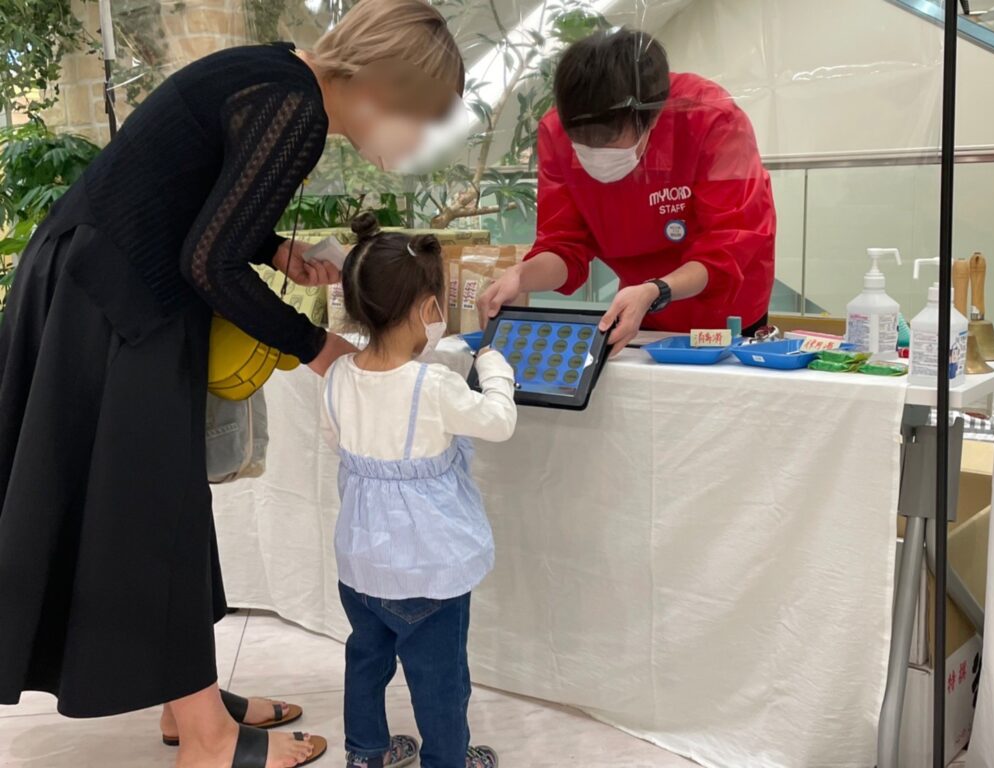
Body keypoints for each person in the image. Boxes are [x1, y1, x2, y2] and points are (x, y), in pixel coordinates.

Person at [0, 1, 464, 767]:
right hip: (115, 301)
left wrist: (278, 252)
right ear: (384, 89)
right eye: (421, 119)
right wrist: (318, 348)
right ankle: (210, 743)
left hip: (92, 283)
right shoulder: (296, 110)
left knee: (159, 507)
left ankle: (190, 703)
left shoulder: (273, 75)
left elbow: (196, 208)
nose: (415, 143)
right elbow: (207, 263)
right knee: (157, 511)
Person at [321, 213, 517, 768]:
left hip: (360, 566)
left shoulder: (338, 376)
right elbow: (498, 422)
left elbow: (336, 440)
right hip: (429, 571)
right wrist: (496, 367)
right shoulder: (434, 385)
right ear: (428, 309)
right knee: (440, 682)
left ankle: (366, 753)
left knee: (365, 660)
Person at [479, 29, 776, 354]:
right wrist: (521, 276)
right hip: (640, 307)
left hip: (723, 310)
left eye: (610, 140)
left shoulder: (710, 119)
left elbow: (728, 247)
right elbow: (564, 246)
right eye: (583, 144)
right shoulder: (557, 131)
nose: (595, 151)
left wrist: (656, 290)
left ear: (652, 117)